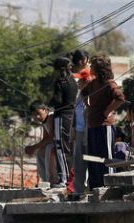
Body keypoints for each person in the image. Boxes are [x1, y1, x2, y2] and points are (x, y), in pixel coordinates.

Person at [80, 55, 125, 189]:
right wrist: (87, 106)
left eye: (92, 65)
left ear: (99, 68)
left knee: (106, 156)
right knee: (93, 156)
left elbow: (120, 98)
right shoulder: (94, 83)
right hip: (93, 125)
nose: (90, 67)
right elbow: (84, 93)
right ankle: (95, 185)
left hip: (105, 126)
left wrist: (108, 110)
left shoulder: (109, 84)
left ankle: (109, 185)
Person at [47, 57, 77, 189]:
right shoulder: (73, 81)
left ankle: (63, 179)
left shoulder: (60, 82)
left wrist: (50, 102)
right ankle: (68, 178)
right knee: (67, 147)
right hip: (71, 116)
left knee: (60, 148)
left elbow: (58, 101)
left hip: (61, 116)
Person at [70, 50, 92, 194]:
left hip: (88, 129)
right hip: (79, 129)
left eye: (82, 80)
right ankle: (78, 190)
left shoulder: (90, 92)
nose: (79, 82)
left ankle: (91, 188)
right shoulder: (80, 93)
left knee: (90, 158)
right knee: (78, 161)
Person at [25, 101, 58, 186]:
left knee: (48, 148)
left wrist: (33, 147)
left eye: (38, 113)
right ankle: (45, 179)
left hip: (58, 144)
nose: (37, 117)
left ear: (44, 110)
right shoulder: (44, 121)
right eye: (34, 115)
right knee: (40, 152)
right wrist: (35, 148)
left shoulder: (51, 117)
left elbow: (51, 138)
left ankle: (52, 179)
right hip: (52, 143)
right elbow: (45, 138)